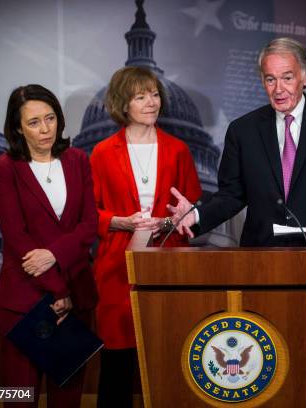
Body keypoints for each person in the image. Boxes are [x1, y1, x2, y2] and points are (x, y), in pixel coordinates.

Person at [169, 37, 306, 407]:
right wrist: (195, 215)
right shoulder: (243, 130)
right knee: (269, 365)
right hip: (262, 264)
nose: (278, 89)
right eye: (269, 79)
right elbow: (231, 195)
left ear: (305, 77)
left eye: (287, 77)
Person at [90, 66, 201, 408]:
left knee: (168, 356)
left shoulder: (178, 149)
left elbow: (190, 207)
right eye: (141, 96)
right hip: (116, 271)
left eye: (154, 94)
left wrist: (169, 223)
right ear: (123, 104)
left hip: (168, 266)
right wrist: (121, 222)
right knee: (118, 365)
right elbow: (89, 214)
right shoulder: (102, 152)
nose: (151, 102)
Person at [0, 84, 98, 407]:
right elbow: (16, 236)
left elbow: (89, 226)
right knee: (20, 399)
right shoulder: (4, 169)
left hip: (76, 299)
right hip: (24, 302)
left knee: (67, 400)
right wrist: (57, 292)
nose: (45, 128)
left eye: (50, 118)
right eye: (34, 122)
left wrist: (54, 255)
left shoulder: (78, 159)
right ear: (18, 128)